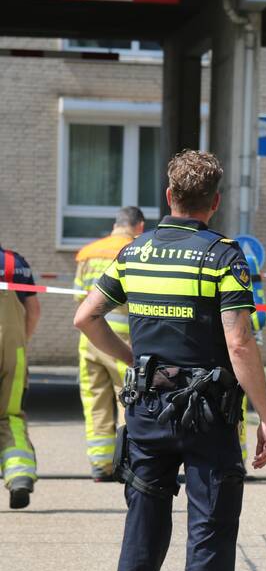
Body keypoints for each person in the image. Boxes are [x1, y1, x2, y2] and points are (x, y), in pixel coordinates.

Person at [74, 149, 266, 571]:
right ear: (215, 202)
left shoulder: (134, 252)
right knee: (210, 527)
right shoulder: (224, 255)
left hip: (148, 410)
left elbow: (86, 317)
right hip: (209, 414)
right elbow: (239, 341)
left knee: (144, 519)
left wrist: (132, 361)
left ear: (170, 196)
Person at [74, 206, 145, 481]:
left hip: (89, 339)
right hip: (120, 340)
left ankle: (100, 464)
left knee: (94, 398)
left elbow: (79, 298)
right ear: (138, 226)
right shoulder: (135, 251)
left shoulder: (88, 253)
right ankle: (128, 460)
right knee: (129, 399)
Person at [0, 243, 41, 509]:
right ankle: (19, 476)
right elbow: (34, 309)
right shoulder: (13, 262)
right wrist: (20, 345)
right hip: (11, 350)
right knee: (10, 415)